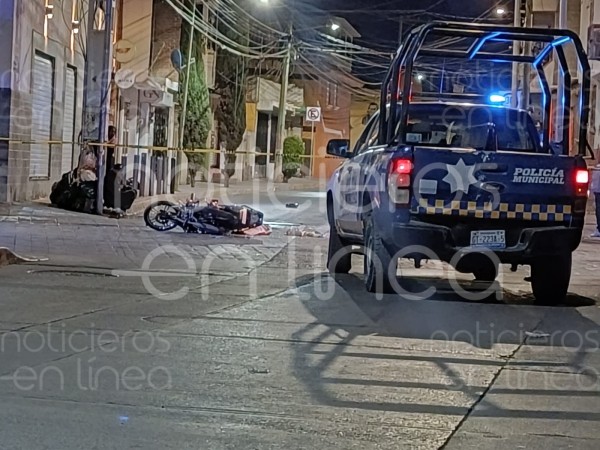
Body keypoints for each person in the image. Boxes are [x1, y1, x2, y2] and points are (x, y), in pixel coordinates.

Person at [591, 164, 600, 238]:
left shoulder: (597, 169)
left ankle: (599, 229)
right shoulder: (597, 168)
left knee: (598, 210)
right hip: (597, 192)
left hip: (598, 192)